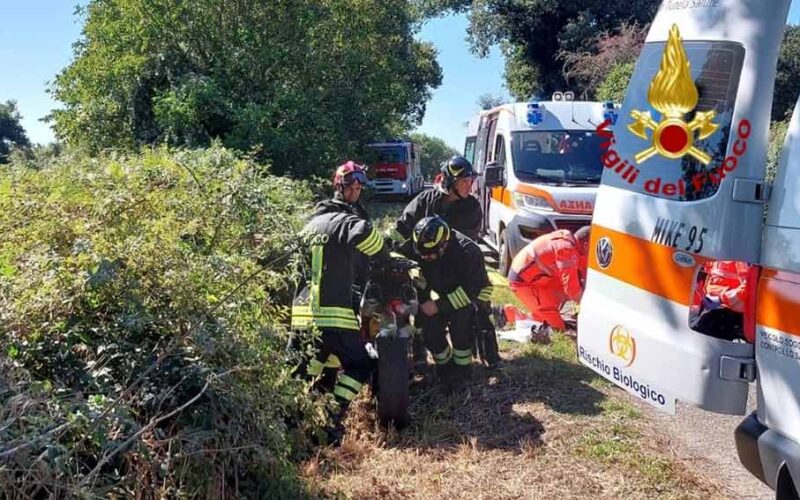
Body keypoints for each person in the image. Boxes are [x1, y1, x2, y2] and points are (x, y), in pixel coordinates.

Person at [291, 160, 389, 445]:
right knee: (361, 364)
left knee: (307, 369)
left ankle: (298, 427)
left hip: (302, 317)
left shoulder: (309, 225)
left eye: (360, 186)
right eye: (352, 186)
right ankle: (333, 414)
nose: (356, 191)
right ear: (339, 187)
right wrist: (386, 259)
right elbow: (367, 237)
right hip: (334, 314)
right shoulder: (347, 220)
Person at [389, 156, 500, 367]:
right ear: (450, 182)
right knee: (420, 307)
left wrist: (443, 303)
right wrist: (390, 253)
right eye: (464, 181)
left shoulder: (472, 208)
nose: (470, 186)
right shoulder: (425, 201)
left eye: (471, 181)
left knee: (477, 309)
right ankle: (420, 353)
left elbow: (460, 246)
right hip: (423, 264)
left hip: (453, 268)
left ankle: (489, 356)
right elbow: (400, 230)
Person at [410, 217, 493, 385]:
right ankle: (444, 367)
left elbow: (472, 290)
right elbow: (397, 252)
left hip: (471, 295)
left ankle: (463, 372)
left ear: (444, 245)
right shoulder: (423, 244)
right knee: (430, 326)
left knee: (461, 325)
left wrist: (439, 306)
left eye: (429, 254)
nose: (425, 258)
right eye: (422, 254)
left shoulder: (468, 252)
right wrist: (412, 271)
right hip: (443, 293)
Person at [507, 227, 591, 341]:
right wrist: (590, 310)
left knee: (555, 319)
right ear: (586, 245)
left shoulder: (572, 245)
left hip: (539, 280)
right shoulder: (566, 249)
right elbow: (572, 290)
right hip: (524, 283)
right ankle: (508, 314)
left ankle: (545, 314)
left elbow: (582, 277)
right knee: (557, 329)